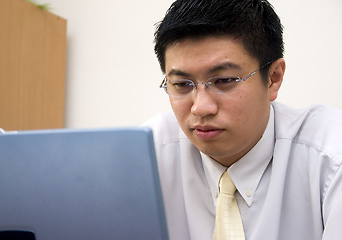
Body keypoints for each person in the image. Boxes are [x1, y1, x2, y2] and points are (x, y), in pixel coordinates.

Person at [143, 0, 342, 239]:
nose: (201, 107)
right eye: (182, 85)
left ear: (273, 78)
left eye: (224, 80)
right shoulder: (145, 160)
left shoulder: (330, 160)